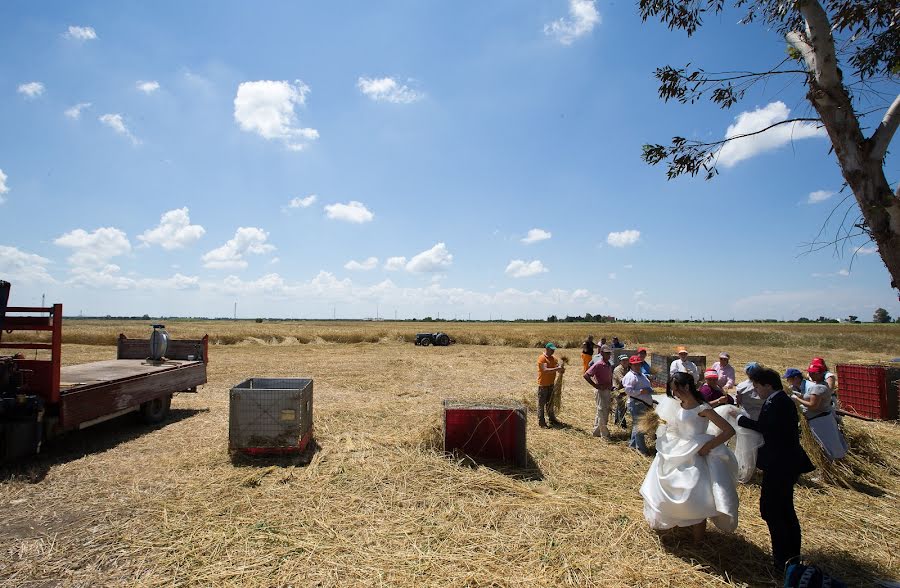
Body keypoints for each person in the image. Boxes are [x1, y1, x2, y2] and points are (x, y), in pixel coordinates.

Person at [641, 372, 739, 541]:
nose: (675, 394)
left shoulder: (703, 409)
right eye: (673, 391)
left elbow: (729, 431)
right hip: (678, 448)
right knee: (667, 484)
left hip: (697, 452)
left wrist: (708, 446)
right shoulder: (680, 404)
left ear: (687, 387)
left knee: (695, 492)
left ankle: (698, 540)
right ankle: (677, 520)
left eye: (676, 390)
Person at [737, 367, 815, 572]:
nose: (756, 391)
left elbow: (768, 428)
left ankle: (784, 559)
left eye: (757, 386)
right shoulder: (777, 400)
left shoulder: (779, 402)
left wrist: (741, 420)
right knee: (779, 509)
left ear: (768, 385)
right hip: (780, 463)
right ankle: (786, 557)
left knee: (776, 510)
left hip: (781, 464)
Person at [792, 363, 848, 460]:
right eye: (810, 372)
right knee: (831, 443)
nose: (810, 375)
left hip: (820, 421)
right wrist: (801, 396)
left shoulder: (818, 388)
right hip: (824, 419)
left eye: (812, 373)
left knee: (827, 444)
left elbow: (813, 406)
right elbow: (811, 398)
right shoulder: (821, 385)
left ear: (820, 374)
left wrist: (797, 399)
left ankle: (833, 466)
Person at [623, 355, 655, 455]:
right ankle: (641, 449)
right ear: (631, 365)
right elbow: (628, 390)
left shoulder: (640, 374)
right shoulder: (630, 376)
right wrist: (641, 391)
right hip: (637, 403)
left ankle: (632, 445)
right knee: (640, 427)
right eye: (635, 365)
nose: (637, 366)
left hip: (643, 403)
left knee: (637, 426)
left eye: (639, 364)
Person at [583, 345, 613, 439]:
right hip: (601, 391)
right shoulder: (599, 364)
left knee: (603, 411)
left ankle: (596, 432)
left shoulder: (608, 364)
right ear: (602, 353)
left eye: (609, 353)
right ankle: (604, 435)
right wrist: (596, 385)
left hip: (607, 390)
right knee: (601, 412)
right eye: (607, 353)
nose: (609, 355)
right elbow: (586, 375)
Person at [537, 343, 565, 428]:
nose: (553, 351)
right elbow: (545, 370)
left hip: (551, 385)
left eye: (554, 350)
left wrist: (561, 369)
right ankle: (541, 422)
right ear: (547, 348)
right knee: (541, 405)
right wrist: (557, 369)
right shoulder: (542, 358)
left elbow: (558, 369)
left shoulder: (554, 359)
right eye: (551, 349)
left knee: (550, 404)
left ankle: (552, 419)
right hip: (543, 385)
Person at [612, 353, 630, 429]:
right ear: (620, 361)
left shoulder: (627, 368)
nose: (625, 361)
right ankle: (622, 424)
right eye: (623, 360)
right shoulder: (618, 369)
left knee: (620, 407)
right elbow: (623, 380)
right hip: (617, 390)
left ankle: (616, 421)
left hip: (624, 390)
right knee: (622, 408)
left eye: (626, 360)